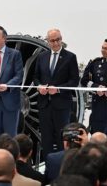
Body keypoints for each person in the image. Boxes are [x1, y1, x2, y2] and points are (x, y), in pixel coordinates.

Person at [33, 29, 79, 159]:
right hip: (44, 105)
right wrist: (39, 86)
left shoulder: (70, 57)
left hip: (62, 105)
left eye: (58, 39)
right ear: (48, 41)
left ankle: (62, 169)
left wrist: (58, 89)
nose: (56, 43)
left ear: (61, 39)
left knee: (62, 139)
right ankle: (49, 170)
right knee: (46, 140)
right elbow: (36, 77)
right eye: (52, 40)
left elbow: (74, 81)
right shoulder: (42, 57)